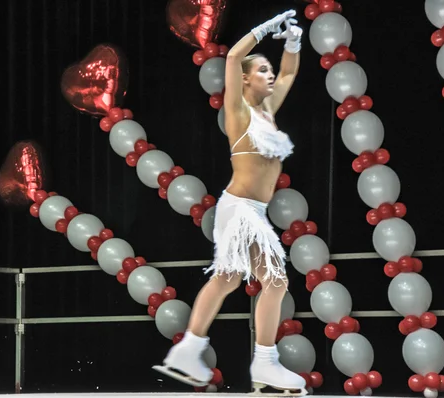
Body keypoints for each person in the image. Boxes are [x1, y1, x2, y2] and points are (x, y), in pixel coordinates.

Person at [154, 9, 306, 395]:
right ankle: (266, 362)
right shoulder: (237, 112)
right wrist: (262, 30)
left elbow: (289, 74)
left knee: (229, 278)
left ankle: (190, 349)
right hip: (239, 207)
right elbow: (235, 56)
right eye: (263, 71)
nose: (270, 75)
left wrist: (292, 43)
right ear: (244, 80)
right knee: (273, 279)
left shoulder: (268, 112)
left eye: (269, 70)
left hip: (250, 210)